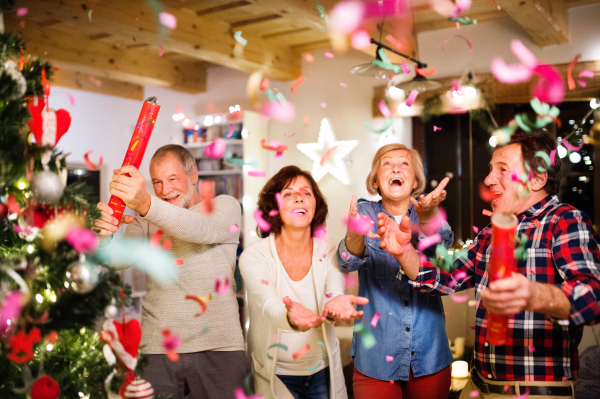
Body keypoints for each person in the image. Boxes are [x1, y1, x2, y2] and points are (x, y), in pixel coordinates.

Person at [374, 131, 600, 398]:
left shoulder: (564, 221)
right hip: (478, 387)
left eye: (502, 170)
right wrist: (403, 251)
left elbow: (593, 297)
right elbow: (443, 277)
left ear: (537, 178)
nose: (489, 179)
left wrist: (533, 293)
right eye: (491, 170)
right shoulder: (491, 234)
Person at [94, 144, 246, 399]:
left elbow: (199, 228)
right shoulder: (147, 217)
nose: (165, 191)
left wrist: (146, 203)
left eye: (172, 179)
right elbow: (115, 261)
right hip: (157, 350)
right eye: (157, 182)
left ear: (194, 176)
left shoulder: (225, 206)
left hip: (220, 349)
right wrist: (104, 236)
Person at [336, 143, 455, 399]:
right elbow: (346, 262)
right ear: (376, 182)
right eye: (386, 164)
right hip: (375, 361)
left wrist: (427, 217)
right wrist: (355, 234)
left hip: (429, 357)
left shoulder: (428, 214)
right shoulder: (366, 212)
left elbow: (442, 254)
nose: (395, 168)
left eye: (404, 164)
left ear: (414, 182)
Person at [239, 165, 369, 399]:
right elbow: (269, 305)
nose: (299, 197)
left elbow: (334, 290)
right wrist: (290, 317)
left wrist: (335, 303)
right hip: (274, 375)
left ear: (315, 205)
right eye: (288, 193)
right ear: (274, 207)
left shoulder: (331, 253)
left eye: (306, 193)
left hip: (322, 373)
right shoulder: (253, 257)